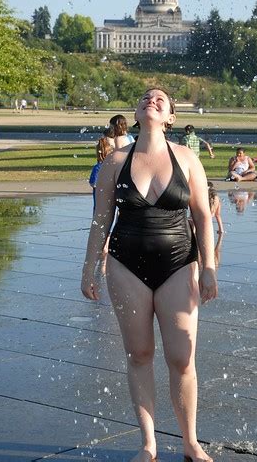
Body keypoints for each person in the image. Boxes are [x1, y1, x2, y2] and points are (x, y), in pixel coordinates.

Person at [81, 87, 217, 462]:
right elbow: (100, 220)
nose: (151, 100)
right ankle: (148, 444)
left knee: (181, 358)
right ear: (137, 113)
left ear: (170, 115)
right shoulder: (115, 161)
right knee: (139, 354)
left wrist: (209, 267)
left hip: (179, 264)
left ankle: (190, 441)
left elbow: (203, 216)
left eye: (160, 99)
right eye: (145, 97)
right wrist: (89, 267)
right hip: (126, 265)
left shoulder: (188, 158)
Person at [89, 137, 113, 210]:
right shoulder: (112, 166)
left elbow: (93, 183)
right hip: (110, 201)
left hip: (99, 203)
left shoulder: (98, 167)